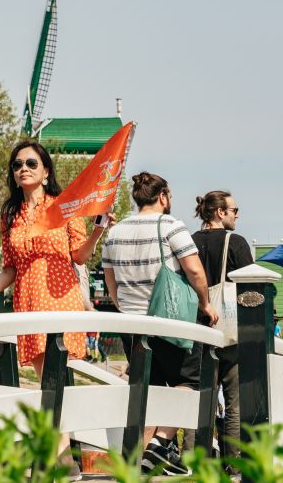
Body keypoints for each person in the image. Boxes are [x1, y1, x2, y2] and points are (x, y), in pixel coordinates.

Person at [0, 140, 111, 479]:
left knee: (52, 383)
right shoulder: (10, 215)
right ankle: (59, 458)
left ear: (45, 170)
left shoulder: (64, 206)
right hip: (28, 302)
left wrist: (98, 230)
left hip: (59, 298)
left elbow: (80, 256)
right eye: (16, 165)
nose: (22, 168)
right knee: (50, 384)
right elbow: (9, 269)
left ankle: (62, 461)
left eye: (30, 162)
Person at [100, 172, 218, 476]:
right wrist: (205, 303)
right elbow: (193, 270)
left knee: (148, 388)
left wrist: (123, 305)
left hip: (132, 323)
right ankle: (162, 442)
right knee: (189, 382)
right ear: (163, 196)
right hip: (169, 321)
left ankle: (139, 460)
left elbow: (110, 280)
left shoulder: (116, 231)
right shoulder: (170, 225)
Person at [187, 190, 253, 459]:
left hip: (195, 331)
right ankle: (234, 464)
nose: (238, 215)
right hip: (229, 331)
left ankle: (192, 458)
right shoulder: (235, 243)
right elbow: (252, 288)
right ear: (219, 213)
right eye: (234, 210)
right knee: (235, 401)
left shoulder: (188, 242)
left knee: (200, 398)